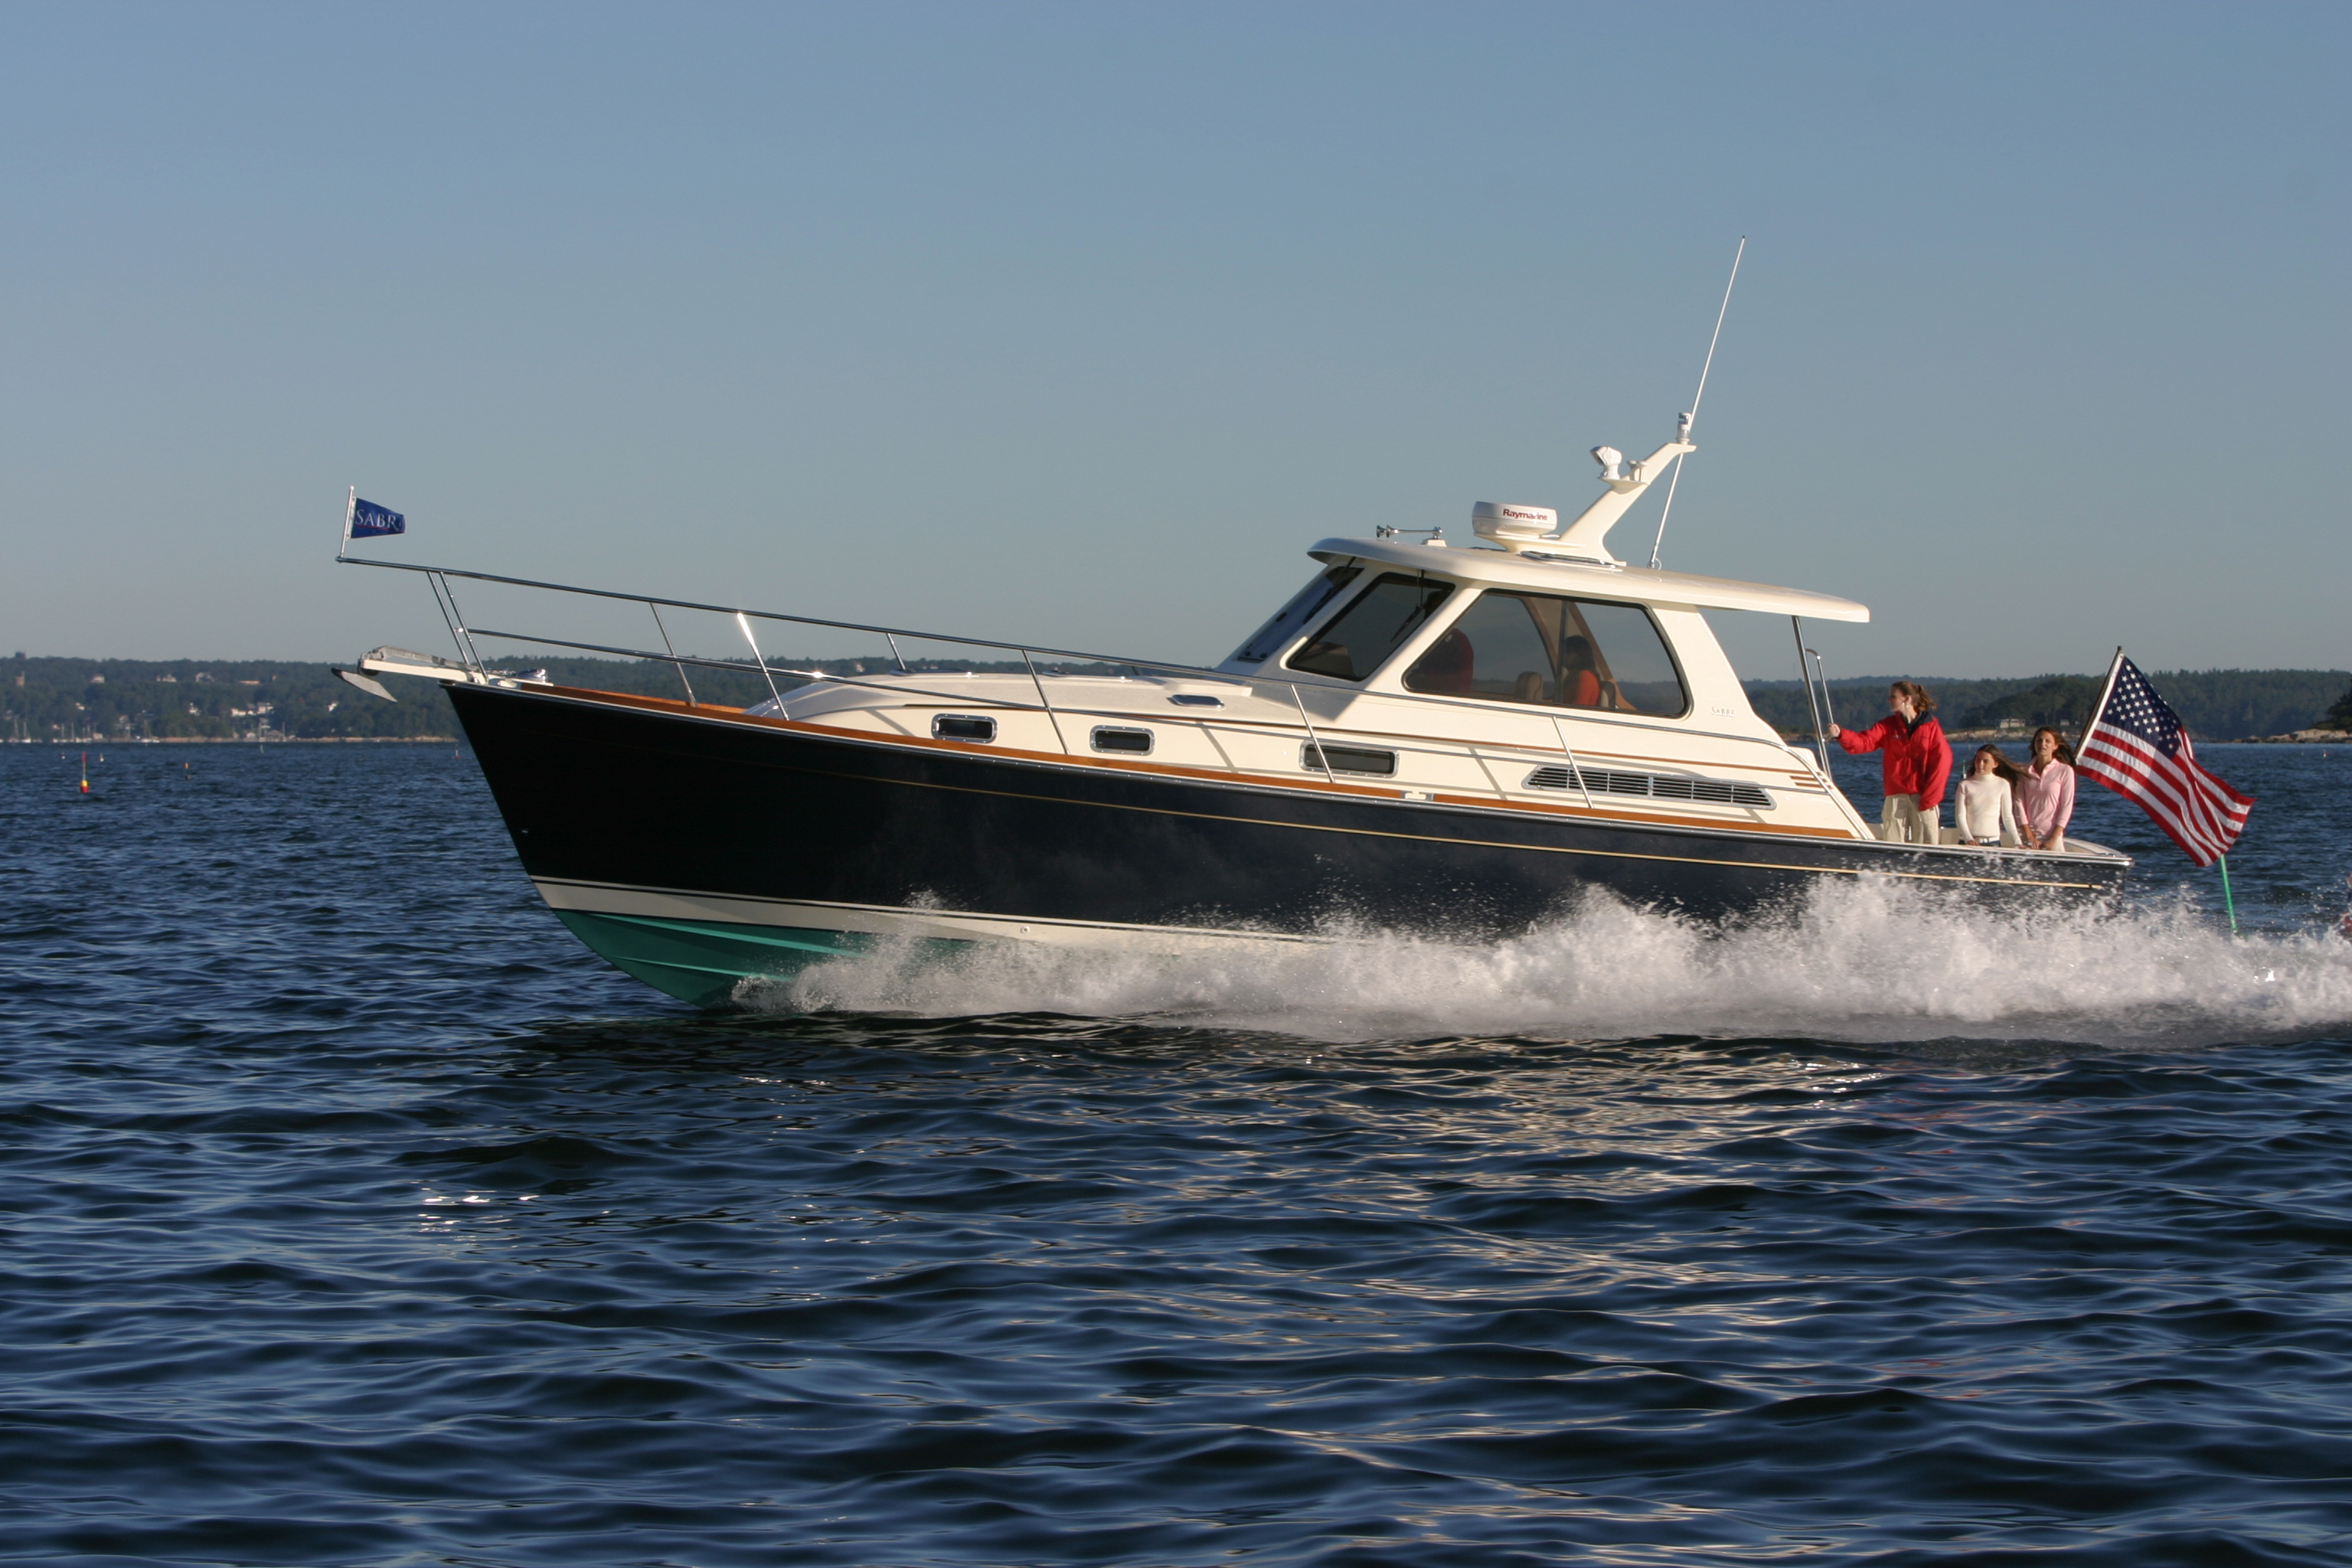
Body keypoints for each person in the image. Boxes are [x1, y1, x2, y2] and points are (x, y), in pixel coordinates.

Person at [1831, 680, 1952, 844]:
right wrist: (1841, 735)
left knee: (1927, 845)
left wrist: (1931, 797)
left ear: (1906, 699)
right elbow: (1865, 742)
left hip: (1923, 796)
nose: (1889, 700)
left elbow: (1942, 762)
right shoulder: (1888, 726)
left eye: (1893, 696)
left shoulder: (1931, 727)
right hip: (1896, 796)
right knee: (1893, 843)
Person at [2015, 727, 2077, 852]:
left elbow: (2066, 807)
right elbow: (2019, 804)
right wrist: (2029, 835)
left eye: (2048, 741)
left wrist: (2053, 839)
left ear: (2055, 746)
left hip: (2052, 838)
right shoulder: (2024, 772)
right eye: (2039, 740)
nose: (2043, 744)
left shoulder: (2065, 771)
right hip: (2027, 837)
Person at [1954, 745, 2023, 847]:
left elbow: (2007, 816)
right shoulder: (1964, 785)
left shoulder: (2002, 784)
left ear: (1995, 764)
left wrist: (2018, 842)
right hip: (1968, 842)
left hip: (1993, 842)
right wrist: (1969, 839)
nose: (1980, 764)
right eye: (1978, 760)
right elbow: (1960, 815)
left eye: (1985, 761)